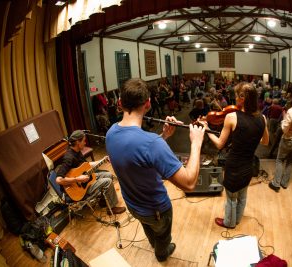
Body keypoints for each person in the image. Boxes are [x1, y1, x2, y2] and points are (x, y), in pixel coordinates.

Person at [105, 78, 205, 262]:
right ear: (148, 104)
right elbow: (189, 183)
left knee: (148, 228)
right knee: (162, 236)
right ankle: (161, 253)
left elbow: (136, 155)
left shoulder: (110, 133)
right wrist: (196, 143)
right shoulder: (152, 143)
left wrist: (164, 136)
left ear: (120, 103)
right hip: (157, 210)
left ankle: (155, 244)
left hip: (133, 205)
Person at [201, 82, 269, 229]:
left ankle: (229, 222)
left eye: (237, 95)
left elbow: (220, 144)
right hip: (248, 165)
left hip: (234, 166)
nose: (235, 98)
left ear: (243, 98)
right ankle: (237, 219)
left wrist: (207, 129)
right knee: (243, 196)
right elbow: (265, 141)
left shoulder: (232, 117)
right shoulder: (262, 118)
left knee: (231, 198)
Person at [55, 130, 126, 215]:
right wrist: (77, 179)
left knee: (108, 175)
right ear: (78, 142)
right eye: (84, 141)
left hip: (87, 180)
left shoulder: (77, 151)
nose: (85, 143)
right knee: (108, 181)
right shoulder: (68, 158)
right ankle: (112, 208)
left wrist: (103, 160)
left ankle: (103, 201)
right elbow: (58, 180)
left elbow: (86, 165)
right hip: (79, 189)